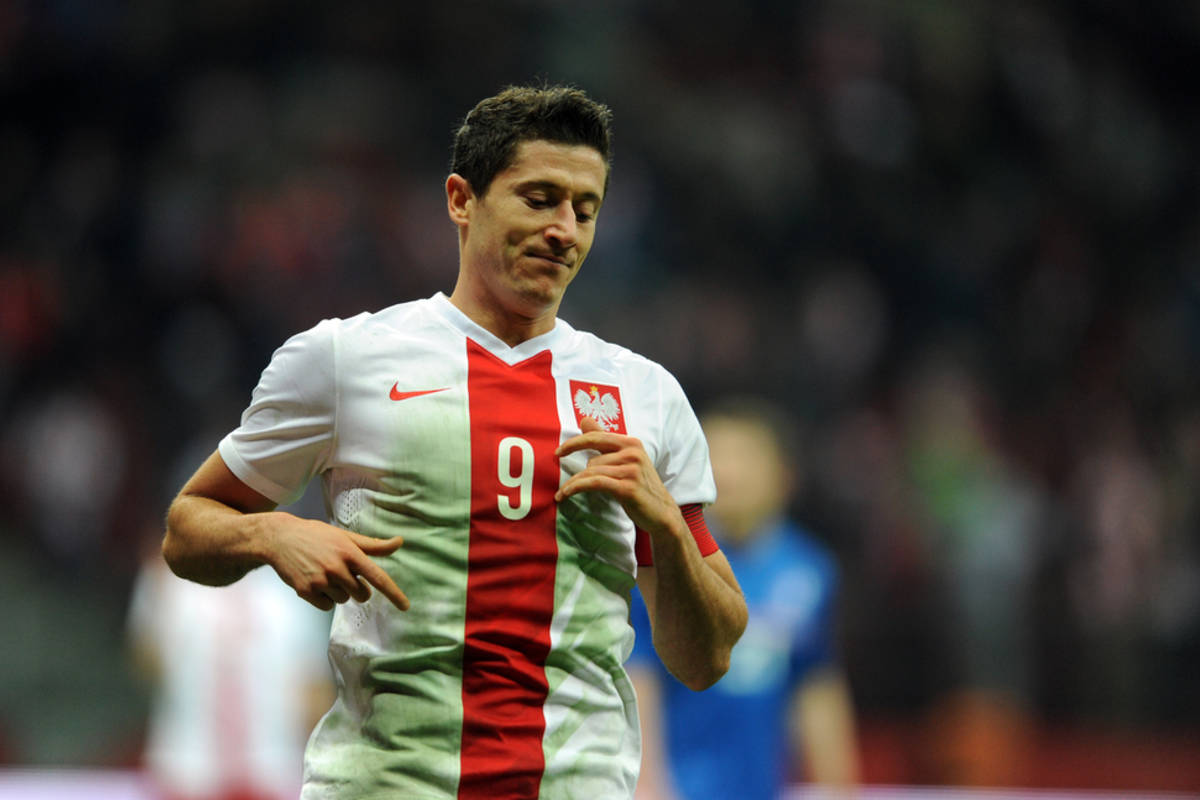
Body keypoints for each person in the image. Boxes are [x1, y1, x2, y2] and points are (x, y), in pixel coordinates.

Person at [161, 84, 748, 800]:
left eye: (585, 209)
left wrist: (668, 529)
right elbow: (187, 531)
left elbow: (704, 660)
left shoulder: (646, 395)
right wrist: (272, 534)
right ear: (461, 200)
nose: (565, 229)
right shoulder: (344, 361)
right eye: (540, 199)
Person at [629, 398, 859, 800]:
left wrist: (838, 788)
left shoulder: (811, 571)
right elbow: (638, 680)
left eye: (745, 457)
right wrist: (649, 788)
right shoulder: (660, 560)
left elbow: (817, 687)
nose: (728, 472)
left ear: (784, 475)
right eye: (714, 456)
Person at [128, 543, 334, 800]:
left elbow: (314, 692)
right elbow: (148, 667)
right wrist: (154, 601)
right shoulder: (172, 578)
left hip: (271, 774)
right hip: (187, 773)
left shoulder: (293, 586)